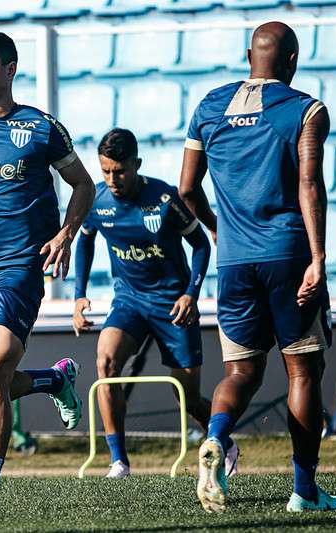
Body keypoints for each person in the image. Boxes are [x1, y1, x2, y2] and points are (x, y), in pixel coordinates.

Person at [180, 21, 336, 513]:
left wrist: (217, 229)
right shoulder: (304, 109)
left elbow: (186, 191)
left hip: (233, 262)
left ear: (246, 54)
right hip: (288, 255)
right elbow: (309, 186)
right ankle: (304, 492)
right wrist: (317, 259)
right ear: (293, 60)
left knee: (241, 370)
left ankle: (215, 437)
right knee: (303, 370)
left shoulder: (208, 106)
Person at [0, 31, 96, 513]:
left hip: (19, 268)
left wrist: (65, 235)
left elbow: (83, 185)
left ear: (9, 69)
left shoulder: (41, 128)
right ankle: (53, 380)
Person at [72, 128, 231, 479]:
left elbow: (201, 246)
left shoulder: (164, 198)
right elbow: (84, 242)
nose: (113, 179)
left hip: (174, 305)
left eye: (120, 171)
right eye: (106, 171)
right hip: (129, 300)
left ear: (136, 164)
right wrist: (79, 294)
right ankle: (119, 461)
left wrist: (192, 292)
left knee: (187, 398)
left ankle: (223, 440)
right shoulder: (98, 201)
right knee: (106, 361)